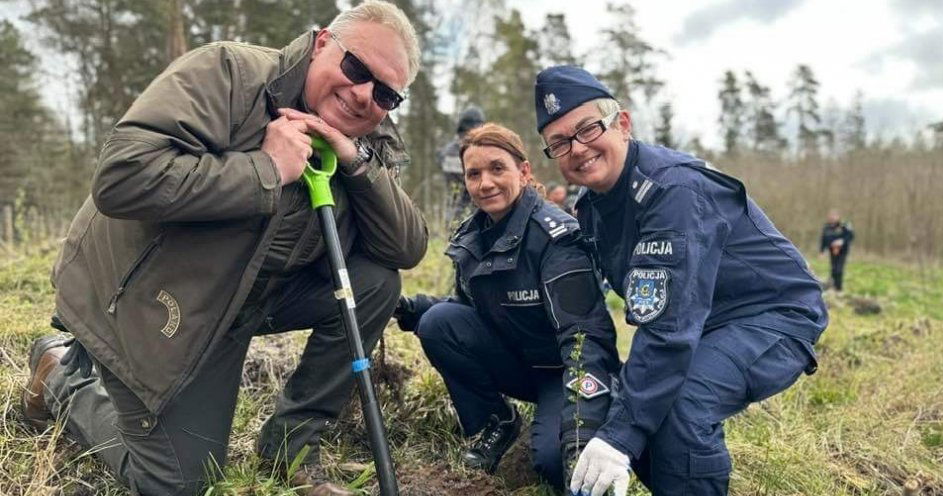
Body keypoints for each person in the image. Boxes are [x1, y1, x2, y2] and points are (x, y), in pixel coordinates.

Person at [21, 2, 426, 494]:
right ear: (322, 44)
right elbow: (121, 177)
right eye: (356, 68)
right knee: (178, 483)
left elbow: (405, 246)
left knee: (376, 282)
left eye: (385, 93)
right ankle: (62, 377)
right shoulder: (229, 73)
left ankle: (290, 442)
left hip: (249, 300)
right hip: (153, 300)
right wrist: (264, 170)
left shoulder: (369, 139)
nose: (364, 95)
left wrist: (356, 164)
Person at [534, 66, 827, 496]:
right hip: (702, 321)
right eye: (560, 142)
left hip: (772, 315)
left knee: (679, 403)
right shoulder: (593, 208)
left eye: (587, 129)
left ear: (623, 124)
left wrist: (619, 437)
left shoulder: (673, 192)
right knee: (641, 403)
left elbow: (668, 329)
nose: (577, 149)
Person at [394, 123, 620, 492]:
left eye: (498, 169)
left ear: (524, 171)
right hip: (516, 361)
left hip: (563, 373)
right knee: (437, 322)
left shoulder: (556, 238)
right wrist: (411, 308)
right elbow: (467, 312)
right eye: (474, 174)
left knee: (555, 464)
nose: (485, 184)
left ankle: (589, 422)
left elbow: (586, 338)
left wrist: (581, 427)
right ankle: (497, 422)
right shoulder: (470, 238)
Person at [438, 106, 486, 229]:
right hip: (463, 217)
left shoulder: (450, 150)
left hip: (461, 214)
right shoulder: (456, 152)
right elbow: (467, 187)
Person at [819, 209, 854, 291]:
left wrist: (841, 241)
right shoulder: (826, 227)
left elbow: (850, 236)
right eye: (831, 216)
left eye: (834, 216)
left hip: (842, 251)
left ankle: (839, 288)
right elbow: (823, 240)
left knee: (839, 269)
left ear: (838, 217)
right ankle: (833, 286)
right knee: (833, 268)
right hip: (832, 251)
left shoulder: (844, 225)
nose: (832, 218)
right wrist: (821, 251)